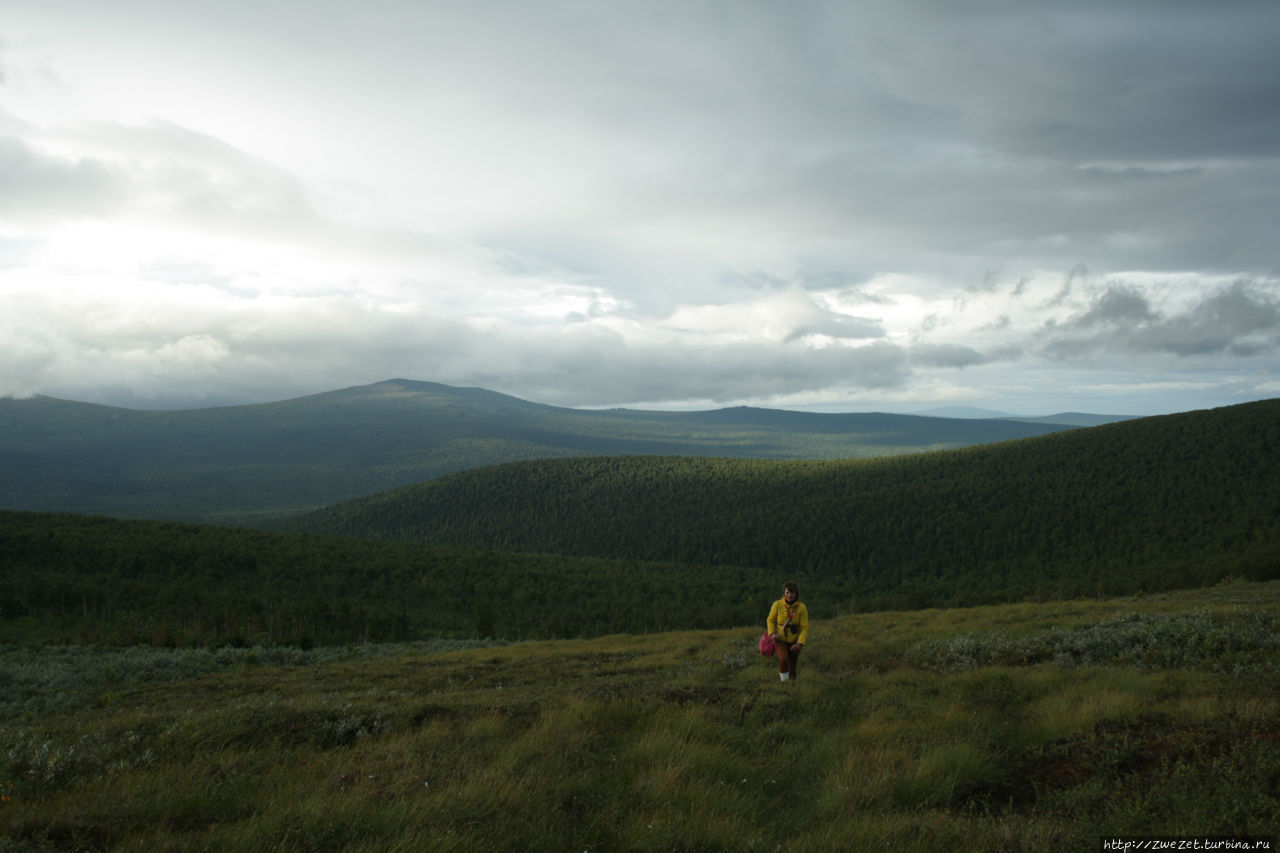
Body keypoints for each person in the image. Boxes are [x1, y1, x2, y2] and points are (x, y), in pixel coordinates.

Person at [767, 581, 809, 682]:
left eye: (792, 593)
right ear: (784, 593)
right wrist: (772, 634)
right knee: (784, 659)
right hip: (780, 639)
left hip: (795, 640)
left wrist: (799, 644)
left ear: (796, 594)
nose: (789, 595)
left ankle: (792, 686)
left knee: (793, 665)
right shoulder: (777, 604)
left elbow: (804, 627)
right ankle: (784, 683)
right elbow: (770, 620)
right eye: (787, 593)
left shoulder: (802, 607)